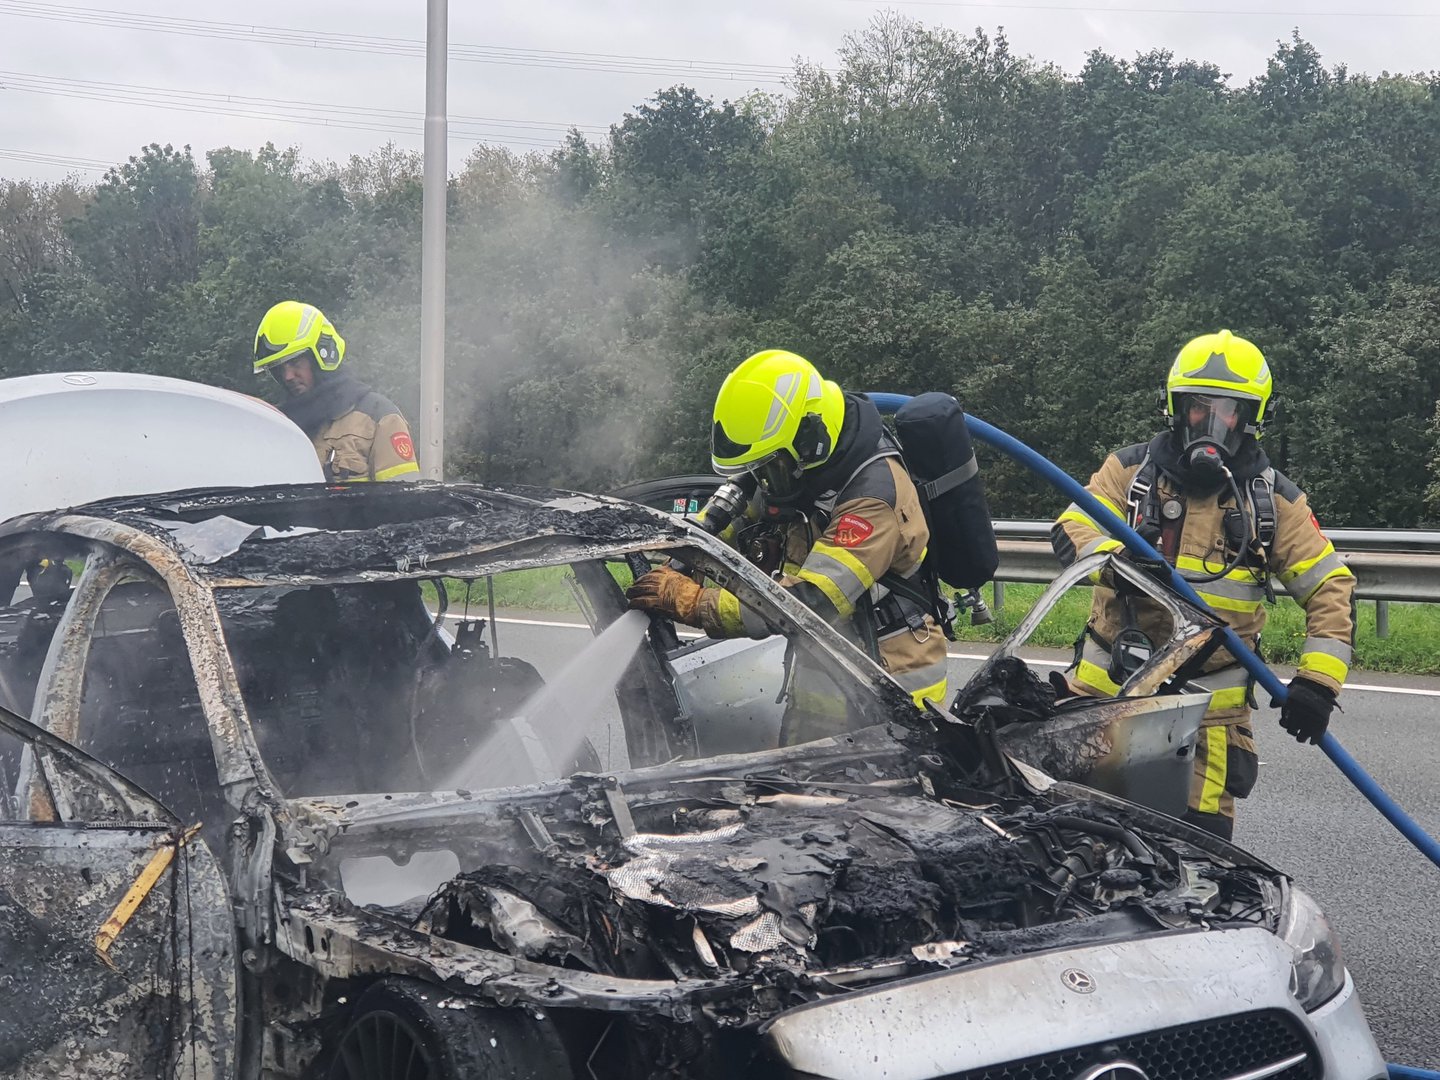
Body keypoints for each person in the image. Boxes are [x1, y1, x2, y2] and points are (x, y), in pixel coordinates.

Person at [1051, 329, 1355, 839]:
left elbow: (1330, 588)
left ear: (1253, 417)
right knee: (1080, 839)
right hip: (1103, 700)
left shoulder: (1274, 502)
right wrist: (1118, 561)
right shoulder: (1129, 472)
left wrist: (1317, 684)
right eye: (1198, 406)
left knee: (1197, 859)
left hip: (1207, 724)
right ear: (1174, 407)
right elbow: (1072, 525)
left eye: (1230, 409)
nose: (1213, 422)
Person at [625, 349, 950, 743]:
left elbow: (807, 606)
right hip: (827, 675)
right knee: (794, 795)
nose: (764, 481)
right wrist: (688, 551)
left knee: (870, 799)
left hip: (893, 691)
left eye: (771, 467)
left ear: (810, 438)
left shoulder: (872, 497)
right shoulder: (805, 470)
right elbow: (733, 523)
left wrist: (694, 602)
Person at [252, 301, 420, 482]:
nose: (288, 376)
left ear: (322, 356)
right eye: (279, 369)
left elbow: (405, 504)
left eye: (295, 362)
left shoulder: (379, 417)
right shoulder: (280, 425)